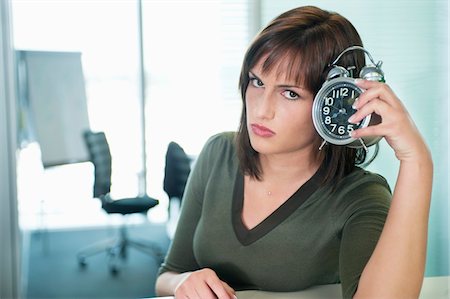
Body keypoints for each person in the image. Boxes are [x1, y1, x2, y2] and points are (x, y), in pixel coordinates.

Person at [155, 5, 433, 299]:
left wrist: (417, 161)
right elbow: (167, 275)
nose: (262, 110)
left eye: (290, 93)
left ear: (335, 104)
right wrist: (183, 281)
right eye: (257, 82)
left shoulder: (359, 197)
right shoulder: (218, 153)